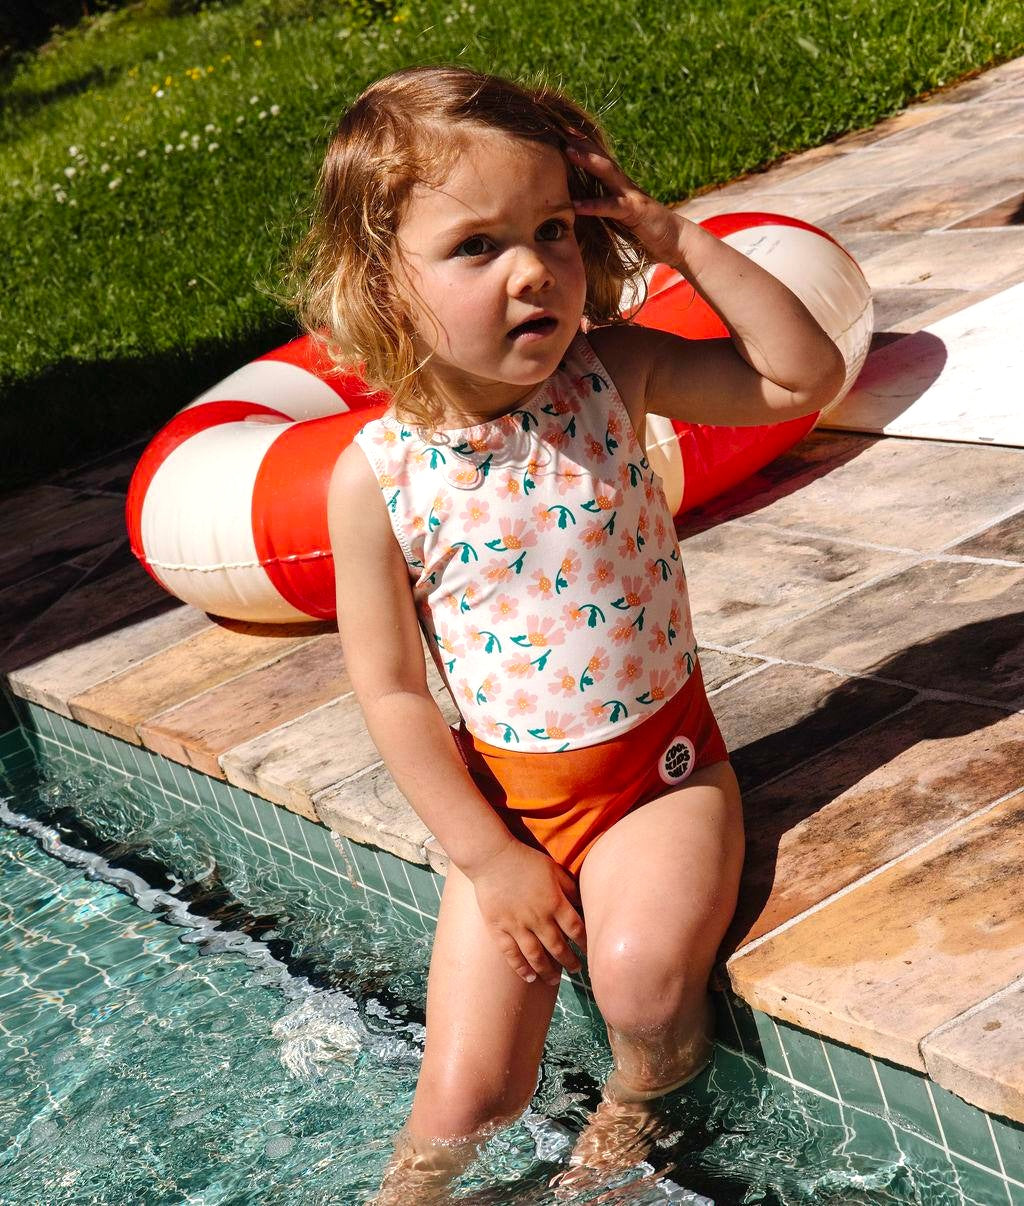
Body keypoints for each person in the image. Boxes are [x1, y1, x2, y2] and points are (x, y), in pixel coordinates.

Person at [286, 64, 845, 1201]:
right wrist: (492, 863)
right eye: (477, 246)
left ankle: (625, 1133)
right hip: (510, 813)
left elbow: (802, 378)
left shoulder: (610, 372)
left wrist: (674, 237)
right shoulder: (376, 479)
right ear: (381, 282)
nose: (534, 268)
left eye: (553, 229)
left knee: (639, 986)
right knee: (464, 1096)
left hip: (657, 777)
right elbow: (391, 692)